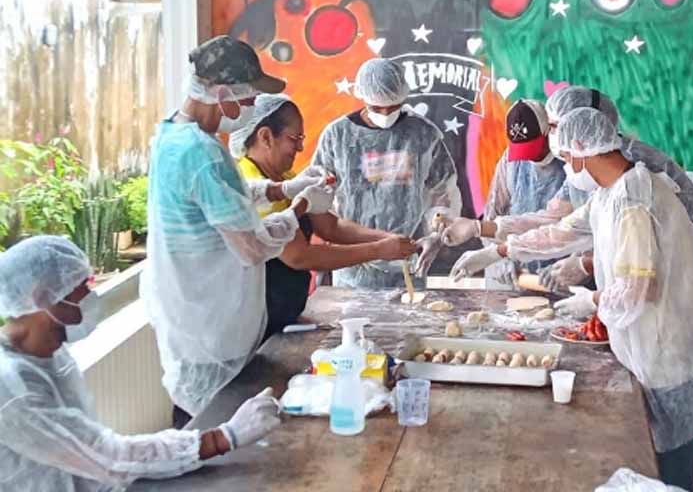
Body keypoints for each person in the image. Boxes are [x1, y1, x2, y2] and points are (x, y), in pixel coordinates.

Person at [458, 108, 693, 490]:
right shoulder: (611, 193)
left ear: (580, 149)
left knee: (668, 476)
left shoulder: (634, 202)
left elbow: (636, 289)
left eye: (565, 158)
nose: (566, 167)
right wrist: (498, 251)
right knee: (650, 469)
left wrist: (592, 300)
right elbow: (559, 233)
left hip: (672, 357)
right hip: (651, 348)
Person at [142, 35, 335, 427]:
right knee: (218, 447)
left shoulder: (173, 135)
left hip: (196, 321)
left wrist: (284, 188)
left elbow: (223, 197)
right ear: (222, 92)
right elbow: (251, 246)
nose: (250, 109)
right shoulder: (202, 153)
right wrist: (301, 208)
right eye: (247, 99)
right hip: (213, 332)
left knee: (201, 431)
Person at [0, 236, 283, 490]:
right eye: (79, 290)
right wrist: (223, 437)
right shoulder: (11, 387)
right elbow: (107, 457)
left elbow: (90, 451)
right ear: (40, 297)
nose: (90, 299)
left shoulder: (49, 357)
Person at [445, 86, 693, 319]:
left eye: (559, 128)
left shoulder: (635, 185)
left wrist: (589, 272)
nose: (556, 142)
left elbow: (650, 259)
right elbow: (558, 226)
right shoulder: (601, 179)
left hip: (680, 290)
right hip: (639, 297)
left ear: (584, 133)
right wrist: (496, 247)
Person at [228, 93, 419, 337]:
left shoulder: (285, 179)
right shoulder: (252, 184)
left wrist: (392, 239)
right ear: (266, 137)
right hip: (258, 316)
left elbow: (330, 227)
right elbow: (299, 256)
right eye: (294, 138)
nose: (300, 147)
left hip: (284, 311)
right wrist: (380, 250)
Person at [312, 57, 462, 289]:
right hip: (354, 264)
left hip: (408, 262)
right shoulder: (337, 136)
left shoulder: (423, 135)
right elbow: (318, 197)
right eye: (376, 107)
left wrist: (436, 234)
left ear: (403, 97)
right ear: (363, 97)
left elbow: (443, 192)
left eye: (392, 106)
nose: (384, 112)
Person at [445, 99, 567, 288]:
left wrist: (572, 265)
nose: (528, 157)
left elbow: (558, 222)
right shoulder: (510, 162)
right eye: (522, 150)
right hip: (515, 274)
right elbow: (493, 212)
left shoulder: (570, 164)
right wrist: (498, 255)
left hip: (559, 272)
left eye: (533, 148)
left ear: (548, 132)